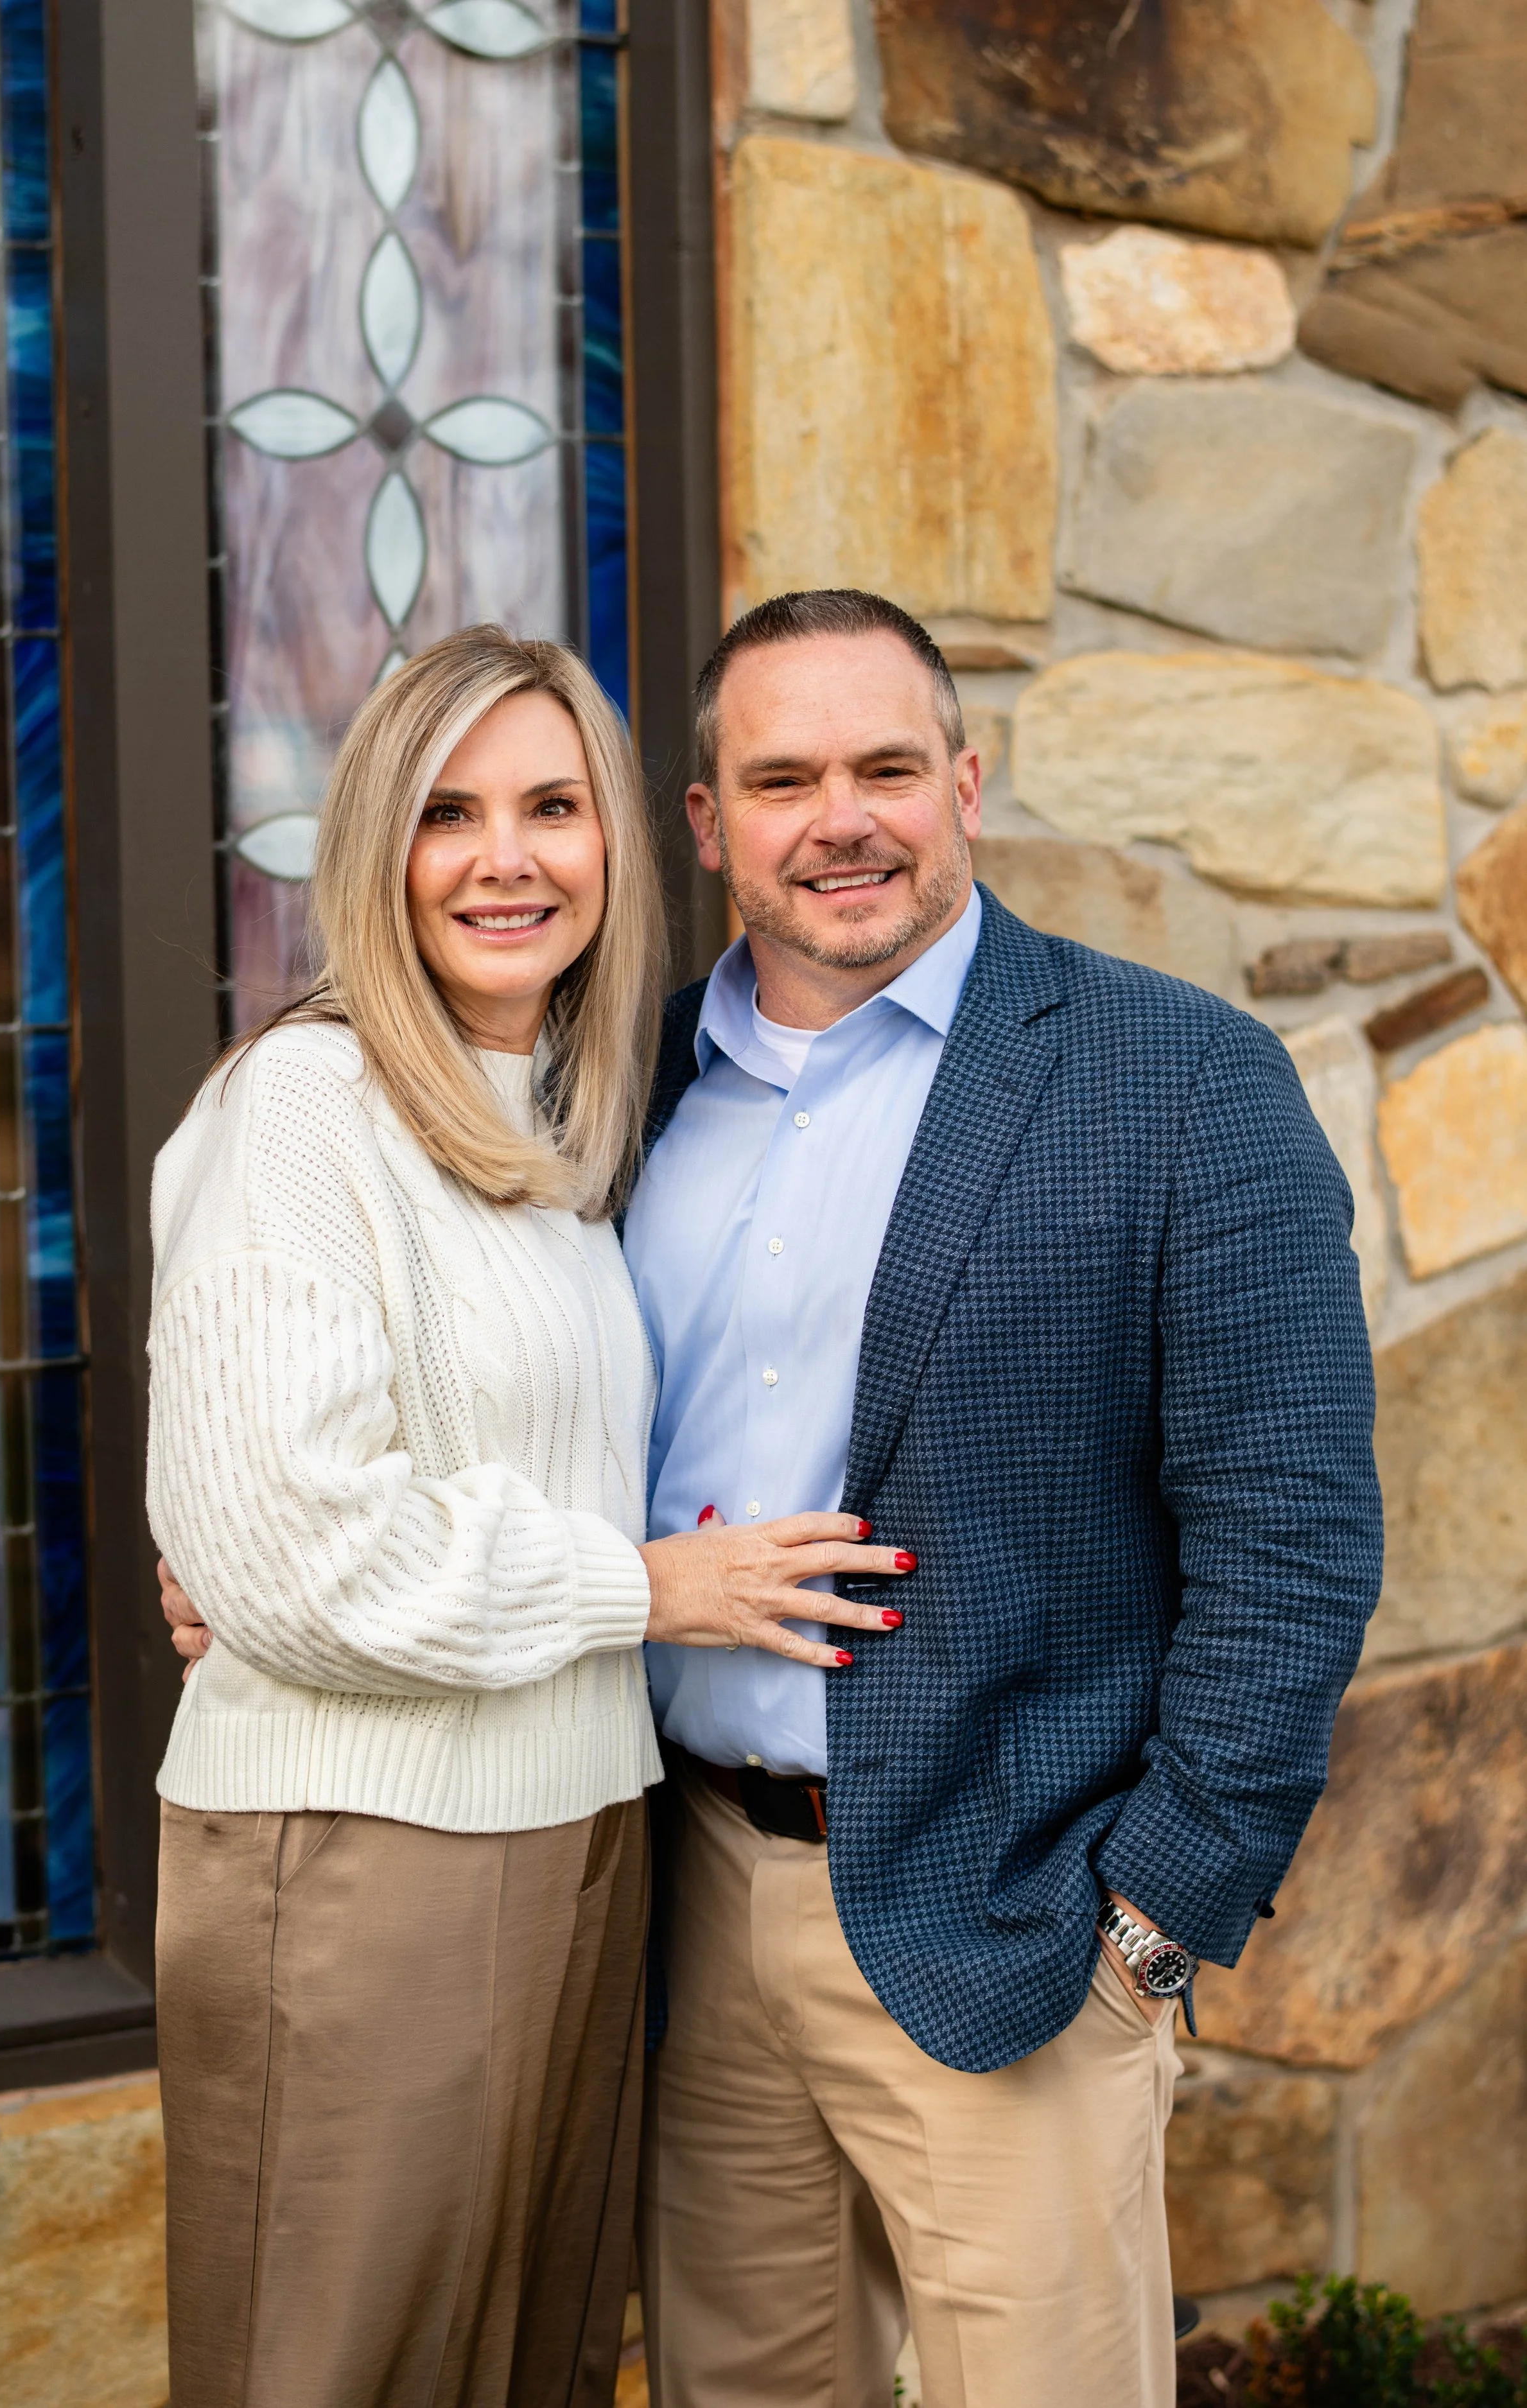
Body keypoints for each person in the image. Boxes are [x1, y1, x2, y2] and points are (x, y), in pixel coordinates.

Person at [623, 590, 1381, 2408]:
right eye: (784, 776)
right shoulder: (628, 1078)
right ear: (708, 818)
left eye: (888, 765)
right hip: (688, 1887)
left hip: (1017, 1915)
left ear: (964, 781)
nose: (843, 818)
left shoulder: (1178, 1077)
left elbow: (1289, 1535)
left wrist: (1155, 1913)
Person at [146, 624, 909, 2408]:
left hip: (576, 1831)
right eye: (450, 813)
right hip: (361, 1856)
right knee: (332, 2369)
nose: (508, 857)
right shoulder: (305, 1109)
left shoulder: (566, 1126)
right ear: (375, 851)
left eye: (553, 806)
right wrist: (644, 1589)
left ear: (618, 844)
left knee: (532, 2367)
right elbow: (299, 1552)